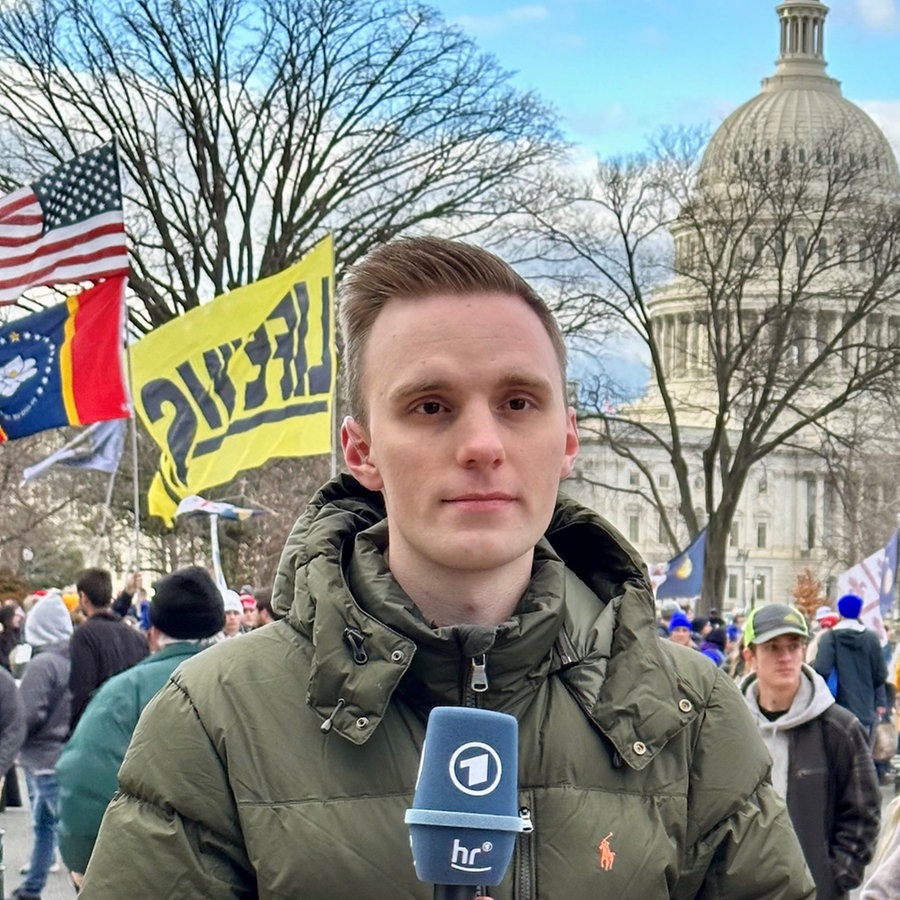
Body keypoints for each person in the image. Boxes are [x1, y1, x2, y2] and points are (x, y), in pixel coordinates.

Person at [79, 236, 814, 897]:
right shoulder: (216, 716)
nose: (482, 444)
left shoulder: (697, 714)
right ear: (361, 450)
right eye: (431, 406)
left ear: (566, 440)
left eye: (518, 401)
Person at [56, 566, 225, 886]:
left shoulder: (124, 693)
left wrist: (84, 859)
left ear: (154, 630)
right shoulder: (251, 681)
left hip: (153, 873)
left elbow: (86, 778)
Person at [740, 603, 880, 900]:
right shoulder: (728, 728)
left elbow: (863, 812)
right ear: (750, 657)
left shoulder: (839, 728)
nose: (786, 657)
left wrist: (834, 877)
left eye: (794, 646)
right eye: (773, 648)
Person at [12, 591, 74, 900]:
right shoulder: (72, 657)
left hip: (43, 754)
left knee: (61, 826)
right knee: (46, 823)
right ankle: (32, 886)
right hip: (64, 749)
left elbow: (28, 712)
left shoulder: (42, 664)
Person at [69, 568, 150, 732]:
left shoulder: (84, 636)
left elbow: (82, 689)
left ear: (83, 598)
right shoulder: (136, 637)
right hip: (135, 726)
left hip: (100, 728)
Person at [812, 592, 888, 738]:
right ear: (859, 611)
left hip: (836, 710)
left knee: (837, 756)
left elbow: (822, 669)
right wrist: (881, 702)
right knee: (862, 755)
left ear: (840, 611)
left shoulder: (830, 638)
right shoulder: (871, 638)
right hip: (865, 709)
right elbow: (880, 675)